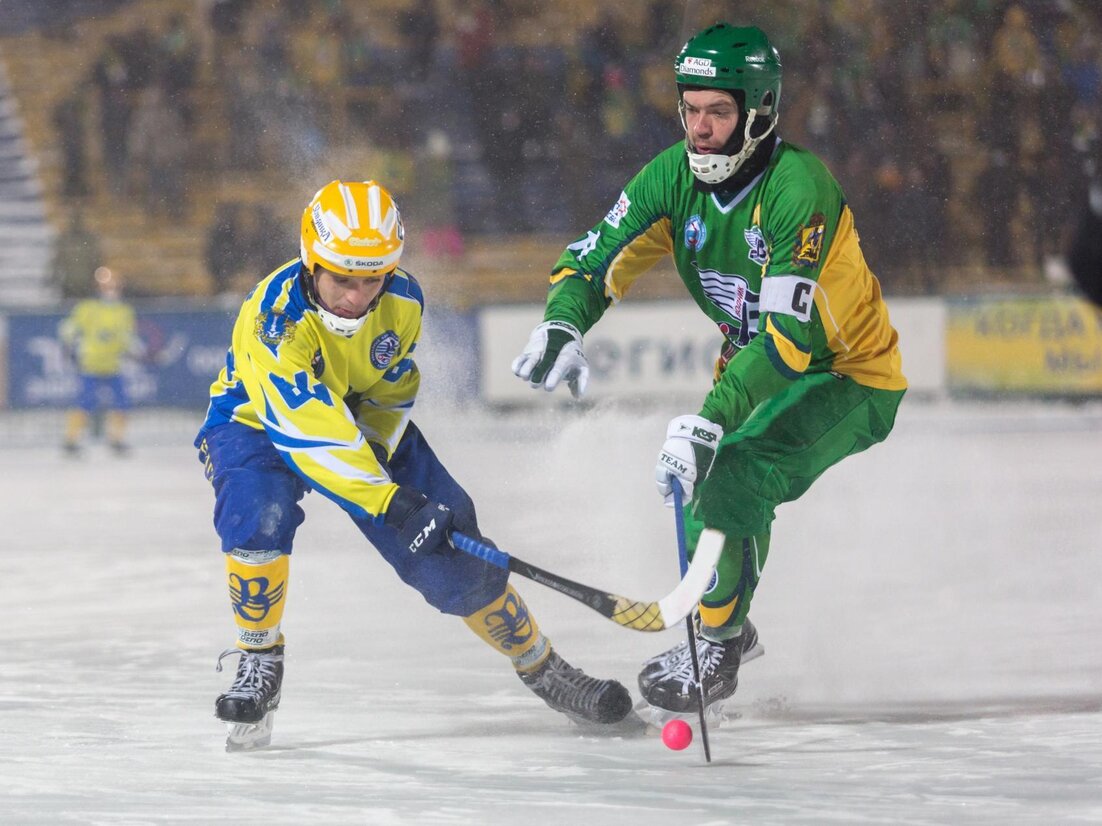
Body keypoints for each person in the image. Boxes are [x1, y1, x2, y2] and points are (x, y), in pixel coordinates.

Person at [512, 24, 907, 719]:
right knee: (703, 490)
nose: (700, 128)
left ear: (759, 110)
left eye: (717, 112)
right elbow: (596, 256)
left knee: (731, 471)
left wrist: (712, 418)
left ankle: (719, 643)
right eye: (690, 109)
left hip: (848, 375)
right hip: (752, 368)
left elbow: (788, 341)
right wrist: (563, 320)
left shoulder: (798, 189)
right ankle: (730, 624)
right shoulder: (672, 176)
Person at [195, 180, 632, 747]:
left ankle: (543, 667)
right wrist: (389, 499)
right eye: (342, 279)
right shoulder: (272, 320)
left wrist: (379, 453)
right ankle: (259, 657)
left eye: (371, 278)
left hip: (352, 417)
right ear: (311, 262)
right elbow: (307, 431)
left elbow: (392, 386)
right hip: (255, 421)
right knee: (258, 515)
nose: (356, 296)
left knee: (453, 542)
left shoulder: (402, 301)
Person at [58, 265, 139, 455]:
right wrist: (71, 343)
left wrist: (132, 350)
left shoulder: (125, 311)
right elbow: (68, 328)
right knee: (84, 402)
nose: (111, 291)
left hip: (113, 364)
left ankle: (117, 439)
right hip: (91, 363)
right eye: (106, 286)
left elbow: (127, 337)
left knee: (122, 401)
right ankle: (71, 439)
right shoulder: (88, 308)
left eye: (114, 286)